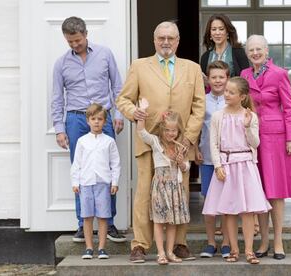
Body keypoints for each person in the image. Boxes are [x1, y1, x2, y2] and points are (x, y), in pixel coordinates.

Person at [116, 21, 205, 263]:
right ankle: (140, 245)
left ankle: (179, 244)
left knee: (181, 193)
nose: (166, 42)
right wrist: (134, 113)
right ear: (154, 41)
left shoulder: (193, 68)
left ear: (177, 41)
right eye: (161, 38)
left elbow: (199, 106)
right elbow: (123, 99)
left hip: (181, 144)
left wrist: (187, 139)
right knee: (145, 192)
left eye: (170, 38)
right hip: (149, 143)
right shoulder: (139, 66)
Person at [51, 16, 126, 243]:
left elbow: (118, 87)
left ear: (85, 33)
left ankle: (109, 223)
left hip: (103, 117)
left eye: (77, 40)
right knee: (82, 172)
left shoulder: (105, 54)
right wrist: (59, 129)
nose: (74, 45)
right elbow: (56, 98)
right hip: (75, 120)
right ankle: (81, 224)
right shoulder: (61, 63)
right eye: (69, 41)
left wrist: (119, 114)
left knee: (107, 168)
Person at [240, 35, 291, 260]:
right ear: (247, 53)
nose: (255, 53)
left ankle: (278, 240)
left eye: (259, 49)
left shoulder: (279, 74)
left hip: (277, 139)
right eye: (251, 50)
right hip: (252, 138)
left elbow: (289, 108)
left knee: (276, 191)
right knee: (258, 190)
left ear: (267, 51)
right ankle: (264, 241)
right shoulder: (244, 75)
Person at [202, 77, 272, 265]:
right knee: (228, 211)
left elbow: (255, 143)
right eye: (226, 91)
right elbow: (214, 144)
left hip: (245, 166)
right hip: (226, 166)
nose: (226, 94)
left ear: (242, 96)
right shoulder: (218, 116)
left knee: (248, 211)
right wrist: (217, 166)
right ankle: (233, 249)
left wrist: (248, 126)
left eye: (231, 92)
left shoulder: (250, 116)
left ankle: (249, 250)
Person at [136, 103, 190, 265]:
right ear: (162, 130)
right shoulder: (156, 142)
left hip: (175, 186)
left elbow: (186, 167)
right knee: (159, 221)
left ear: (178, 131)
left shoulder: (180, 147)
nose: (170, 133)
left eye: (173, 130)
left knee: (172, 221)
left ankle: (169, 251)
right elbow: (142, 133)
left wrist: (181, 163)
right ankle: (160, 253)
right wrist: (143, 112)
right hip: (160, 185)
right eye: (167, 130)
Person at [70, 103, 121, 260]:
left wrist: (114, 182)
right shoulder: (82, 141)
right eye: (93, 119)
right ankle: (89, 247)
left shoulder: (109, 141)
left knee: (103, 216)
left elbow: (115, 163)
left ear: (105, 121)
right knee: (87, 216)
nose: (97, 122)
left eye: (100, 119)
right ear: (88, 121)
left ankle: (102, 247)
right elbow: (76, 163)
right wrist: (75, 182)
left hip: (103, 184)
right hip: (86, 183)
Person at [195, 61, 230, 258]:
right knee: (209, 201)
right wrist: (194, 148)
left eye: (221, 77)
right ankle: (210, 243)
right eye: (214, 77)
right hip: (208, 157)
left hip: (227, 159)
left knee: (225, 202)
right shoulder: (203, 100)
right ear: (208, 79)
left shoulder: (231, 99)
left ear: (227, 78)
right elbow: (197, 125)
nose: (218, 81)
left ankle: (225, 242)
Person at [200, 14, 250, 82]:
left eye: (221, 29)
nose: (217, 33)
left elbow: (246, 80)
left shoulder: (239, 52)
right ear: (210, 34)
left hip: (235, 92)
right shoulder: (205, 57)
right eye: (214, 29)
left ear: (227, 32)